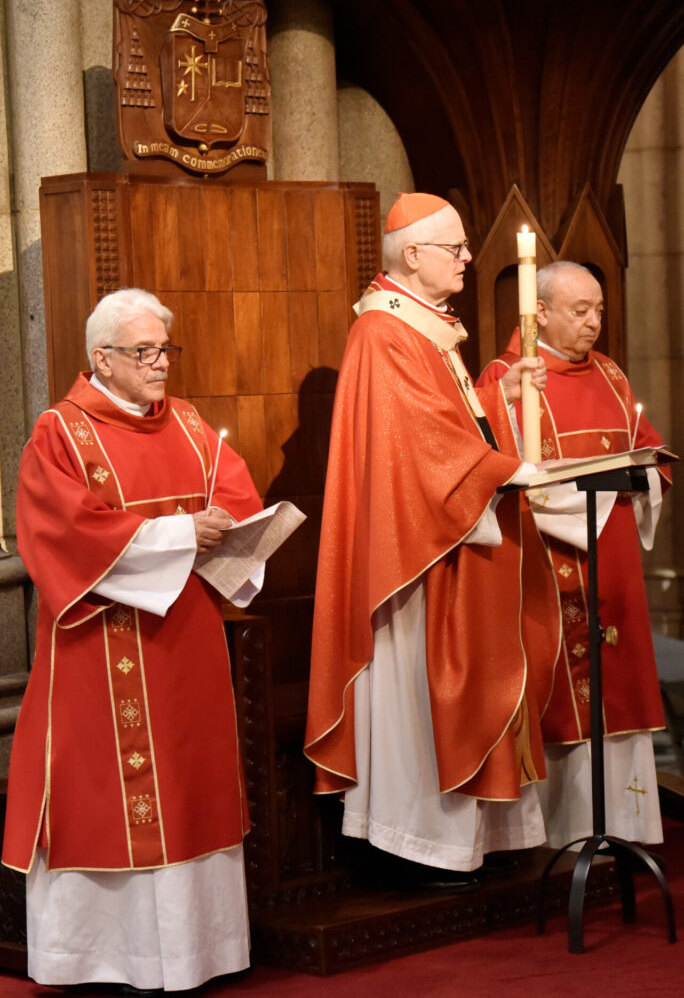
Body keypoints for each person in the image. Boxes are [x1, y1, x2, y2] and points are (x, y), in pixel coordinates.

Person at [2, 288, 264, 991]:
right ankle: (109, 959)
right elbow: (60, 533)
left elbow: (235, 498)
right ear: (101, 359)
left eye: (164, 351)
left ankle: (195, 953)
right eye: (143, 353)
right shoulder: (59, 434)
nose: (159, 366)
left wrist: (234, 527)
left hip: (187, 641)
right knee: (109, 799)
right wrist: (183, 532)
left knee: (191, 788)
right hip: (103, 648)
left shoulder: (186, 422)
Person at [304, 192, 561, 882]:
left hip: (450, 533)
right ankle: (415, 842)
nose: (469, 261)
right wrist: (503, 467)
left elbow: (452, 428)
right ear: (413, 255)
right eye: (456, 249)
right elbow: (417, 449)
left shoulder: (427, 327)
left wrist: (501, 406)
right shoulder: (383, 333)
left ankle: (466, 838)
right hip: (415, 553)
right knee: (417, 696)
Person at [478, 260, 671, 849]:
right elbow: (507, 475)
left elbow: (648, 448)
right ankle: (561, 835)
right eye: (579, 311)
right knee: (564, 696)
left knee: (622, 686)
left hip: (615, 563)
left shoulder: (611, 374)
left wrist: (646, 480)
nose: (593, 324)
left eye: (599, 311)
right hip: (550, 561)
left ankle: (627, 830)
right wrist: (585, 494)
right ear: (539, 315)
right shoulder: (507, 377)